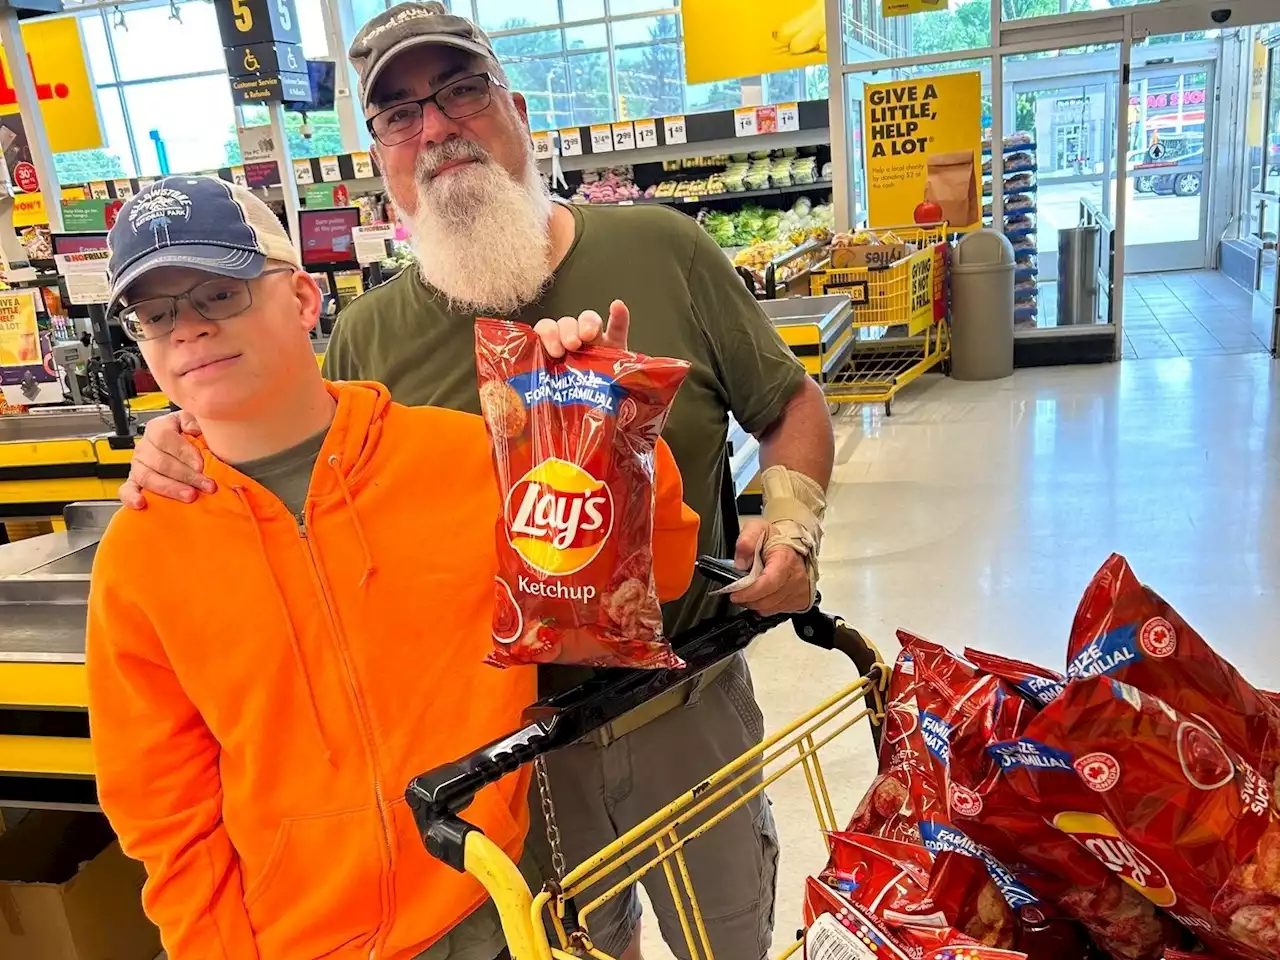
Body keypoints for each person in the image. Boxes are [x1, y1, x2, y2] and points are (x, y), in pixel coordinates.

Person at [119, 4, 836, 959]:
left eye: (461, 90)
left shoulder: (664, 249)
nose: (438, 128)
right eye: (400, 114)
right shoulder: (371, 334)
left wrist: (788, 531)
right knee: (582, 948)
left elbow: (791, 404)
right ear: (381, 156)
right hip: (510, 759)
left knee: (730, 939)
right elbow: (306, 459)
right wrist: (183, 439)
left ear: (517, 107)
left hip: (685, 705)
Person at [86, 175, 699, 960]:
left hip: (500, 906)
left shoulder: (466, 460)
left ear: (304, 300)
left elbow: (662, 573)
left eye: (218, 294)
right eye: (156, 313)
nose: (189, 330)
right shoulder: (144, 551)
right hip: (297, 942)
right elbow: (161, 804)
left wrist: (601, 427)